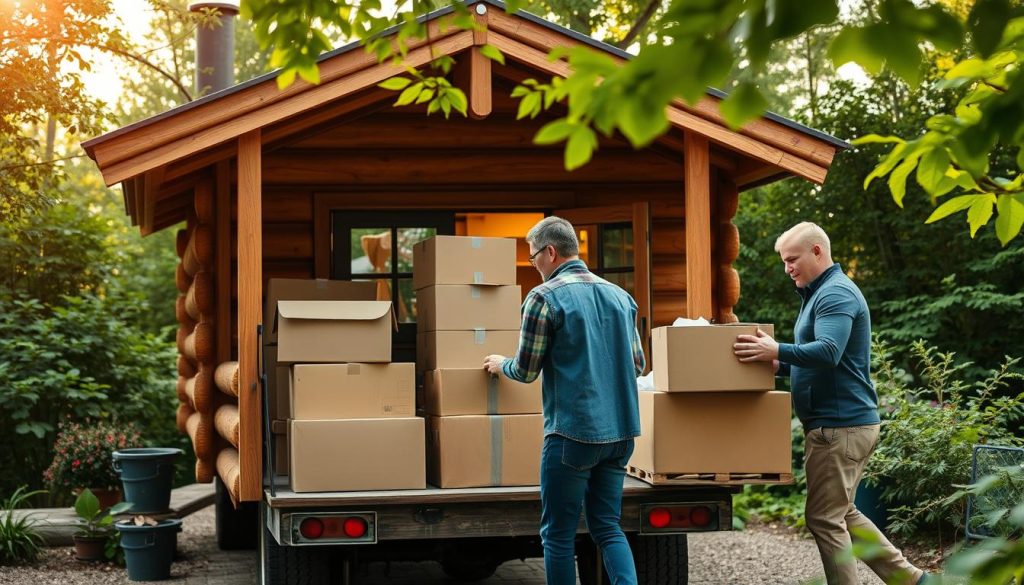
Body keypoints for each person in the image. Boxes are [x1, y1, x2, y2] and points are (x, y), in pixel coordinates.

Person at [732, 222, 926, 585]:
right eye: (784, 262)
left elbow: (828, 352)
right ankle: (913, 580)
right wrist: (779, 363)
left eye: (792, 259)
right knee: (842, 512)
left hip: (841, 428)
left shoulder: (836, 294)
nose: (787, 268)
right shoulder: (819, 294)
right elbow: (818, 359)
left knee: (824, 518)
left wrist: (777, 349)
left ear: (817, 251)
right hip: (839, 426)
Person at [483, 216, 645, 585]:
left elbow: (525, 370)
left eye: (533, 257)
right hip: (621, 435)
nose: (533, 264)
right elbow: (638, 364)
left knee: (557, 534)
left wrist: (499, 364)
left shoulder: (542, 298)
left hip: (573, 435)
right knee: (607, 527)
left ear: (550, 252)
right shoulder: (621, 296)